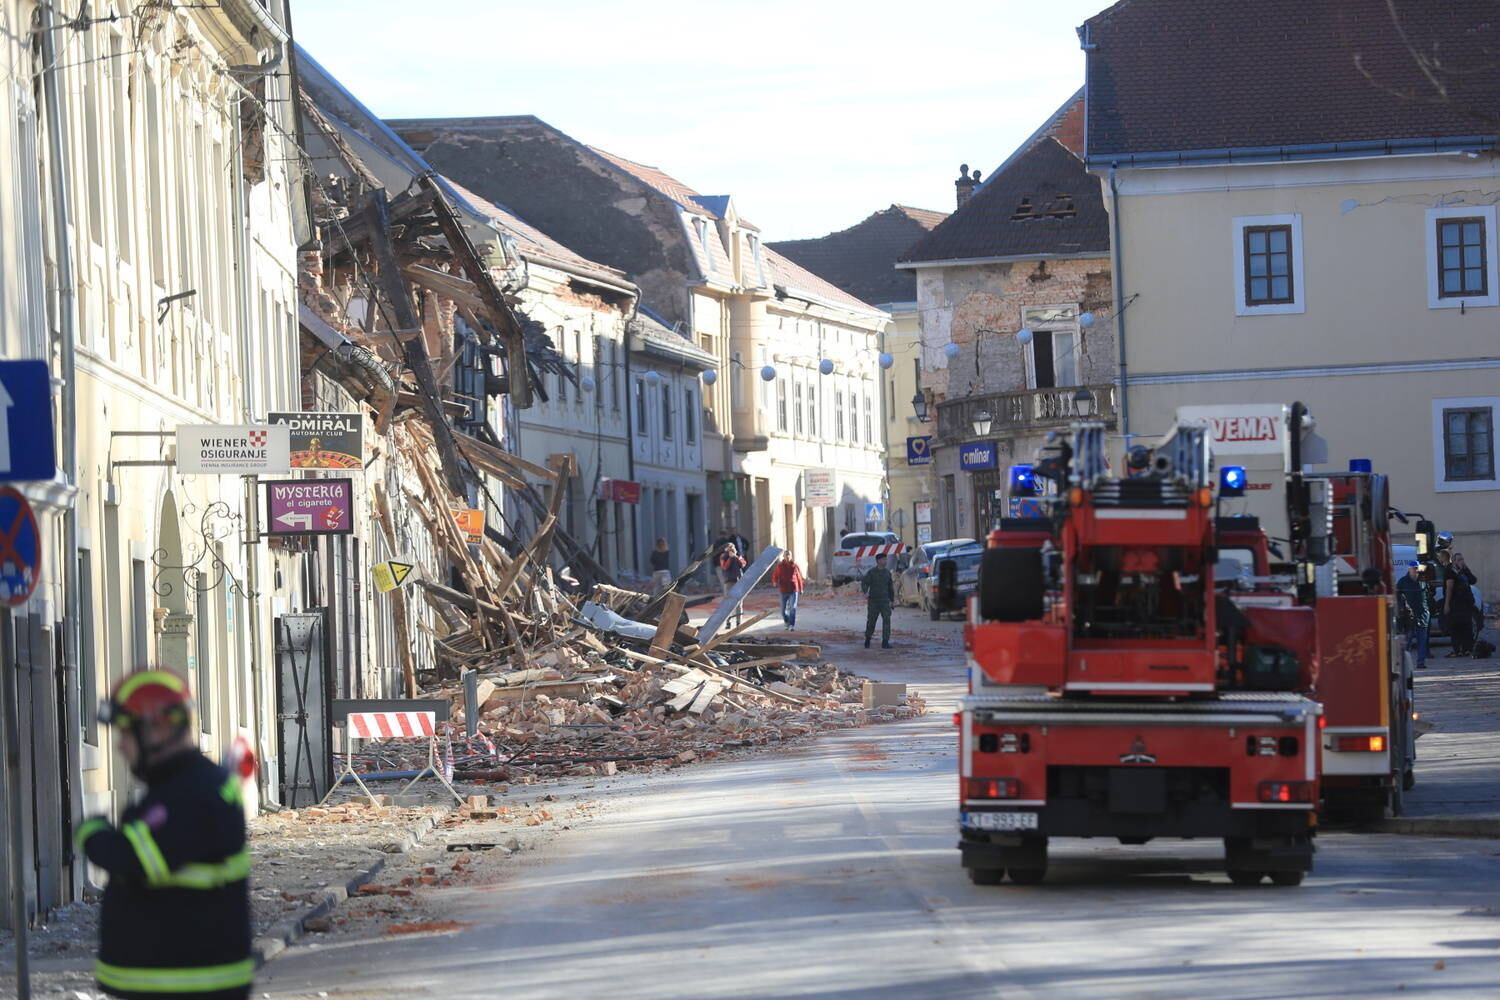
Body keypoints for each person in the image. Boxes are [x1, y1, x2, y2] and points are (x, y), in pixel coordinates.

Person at [77, 669, 252, 1000]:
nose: (121, 745)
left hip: (186, 984)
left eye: (126, 733)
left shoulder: (191, 793)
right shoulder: (187, 786)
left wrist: (92, 833)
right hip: (183, 981)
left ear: (158, 728)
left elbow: (134, 858)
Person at [1395, 560, 1430, 669]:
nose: (1415, 571)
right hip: (1408, 617)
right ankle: (1403, 663)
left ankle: (1421, 662)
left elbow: (1427, 596)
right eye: (1413, 568)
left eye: (1417, 568)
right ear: (1409, 569)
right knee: (1407, 642)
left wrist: (1427, 611)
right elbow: (1397, 597)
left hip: (1422, 615)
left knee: (1422, 641)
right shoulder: (1402, 582)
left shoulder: (1423, 581)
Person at [1445, 550, 1479, 657]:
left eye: (1462, 559)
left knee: (1467, 627)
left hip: (1466, 604)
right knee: (1456, 628)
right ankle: (1457, 650)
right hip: (1456, 605)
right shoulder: (1451, 572)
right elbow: (1449, 589)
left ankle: (1467, 649)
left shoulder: (1464, 571)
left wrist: (1466, 568)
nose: (1461, 561)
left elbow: (1473, 580)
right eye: (1459, 560)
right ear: (1454, 561)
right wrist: (1447, 604)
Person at [861, 551, 896, 649]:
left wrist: (892, 600)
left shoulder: (887, 573)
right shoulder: (872, 572)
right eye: (883, 559)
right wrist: (865, 592)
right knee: (871, 621)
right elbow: (864, 583)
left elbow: (890, 588)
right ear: (878, 561)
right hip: (874, 601)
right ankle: (868, 639)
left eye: (886, 559)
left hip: (885, 601)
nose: (885, 561)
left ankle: (885, 642)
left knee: (886, 620)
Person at [771, 550, 805, 630]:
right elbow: (775, 575)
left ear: (791, 556)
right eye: (786, 555)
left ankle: (791, 625)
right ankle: (787, 622)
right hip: (783, 590)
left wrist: (801, 588)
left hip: (794, 589)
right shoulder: (780, 566)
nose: (788, 556)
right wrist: (774, 582)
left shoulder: (795, 566)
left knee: (793, 608)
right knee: (783, 611)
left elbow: (799, 578)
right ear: (783, 556)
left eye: (789, 555)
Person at [718, 543, 748, 628]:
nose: (731, 549)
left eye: (732, 548)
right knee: (728, 603)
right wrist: (730, 558)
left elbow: (743, 564)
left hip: (738, 581)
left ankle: (738, 622)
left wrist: (736, 557)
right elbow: (725, 567)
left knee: (739, 602)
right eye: (729, 548)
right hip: (729, 582)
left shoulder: (737, 556)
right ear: (726, 549)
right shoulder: (724, 556)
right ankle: (728, 622)